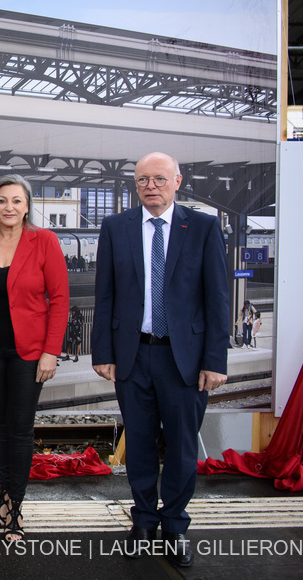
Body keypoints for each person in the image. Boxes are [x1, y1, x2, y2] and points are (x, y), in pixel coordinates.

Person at [91, 152, 228, 568]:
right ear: (136, 184)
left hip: (183, 360)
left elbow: (217, 297)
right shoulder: (117, 227)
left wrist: (215, 360)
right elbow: (105, 293)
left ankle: (175, 526)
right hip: (133, 356)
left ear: (177, 180)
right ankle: (144, 521)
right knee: (141, 444)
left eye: (159, 179)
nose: (151, 186)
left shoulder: (202, 226)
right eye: (143, 179)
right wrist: (104, 352)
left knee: (184, 447)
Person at [0, 174, 69, 542]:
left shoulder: (45, 241)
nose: (9, 208)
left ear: (27, 206)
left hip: (30, 352)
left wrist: (51, 351)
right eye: (3, 201)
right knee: (0, 427)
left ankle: (14, 509)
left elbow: (60, 299)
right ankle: (5, 499)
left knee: (20, 430)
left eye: (17, 201)